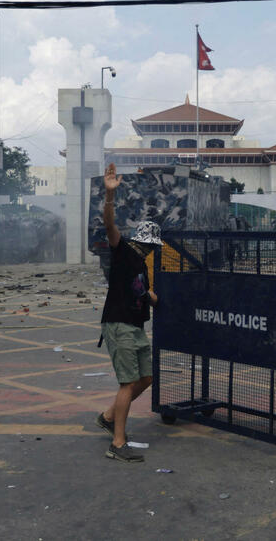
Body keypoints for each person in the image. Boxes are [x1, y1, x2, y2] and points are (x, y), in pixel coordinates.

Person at [95, 163, 162, 463]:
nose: (152, 250)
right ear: (143, 241)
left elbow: (140, 292)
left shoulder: (142, 266)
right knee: (126, 383)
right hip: (119, 324)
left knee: (146, 378)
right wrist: (110, 196)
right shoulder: (123, 252)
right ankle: (117, 443)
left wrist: (152, 297)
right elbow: (109, 225)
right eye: (151, 245)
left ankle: (110, 417)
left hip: (136, 326)